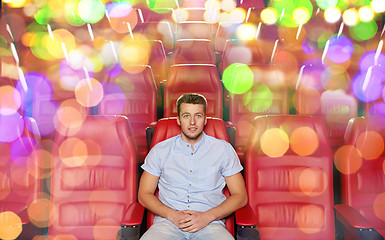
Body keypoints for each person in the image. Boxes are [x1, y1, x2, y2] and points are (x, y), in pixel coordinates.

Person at [138, 93, 247, 240]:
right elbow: (144, 194)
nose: (192, 122)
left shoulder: (223, 150)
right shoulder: (160, 150)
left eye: (198, 116)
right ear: (178, 120)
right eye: (186, 116)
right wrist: (173, 215)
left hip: (210, 224)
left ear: (205, 120)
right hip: (168, 224)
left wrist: (207, 217)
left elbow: (240, 196)